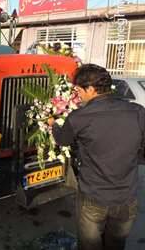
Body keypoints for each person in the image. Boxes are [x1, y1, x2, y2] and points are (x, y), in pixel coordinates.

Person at [48, 64, 145, 250]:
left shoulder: (80, 117)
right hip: (126, 198)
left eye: (79, 90)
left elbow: (62, 139)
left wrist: (53, 124)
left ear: (91, 89)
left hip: (93, 199)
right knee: (116, 245)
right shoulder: (138, 112)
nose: (78, 96)